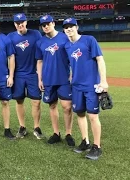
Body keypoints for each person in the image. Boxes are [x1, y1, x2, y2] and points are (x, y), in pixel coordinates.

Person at [63, 18, 108, 160]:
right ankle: (85, 141)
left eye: (71, 26)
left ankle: (97, 146)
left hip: (91, 85)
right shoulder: (67, 46)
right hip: (76, 86)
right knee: (80, 114)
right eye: (66, 27)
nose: (69, 29)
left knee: (93, 116)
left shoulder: (89, 40)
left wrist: (103, 81)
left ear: (76, 27)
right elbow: (72, 64)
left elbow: (100, 59)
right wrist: (71, 76)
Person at [35, 15, 75, 146]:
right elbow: (39, 61)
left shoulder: (65, 38)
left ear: (53, 23)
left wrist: (72, 73)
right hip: (48, 79)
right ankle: (56, 133)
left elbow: (72, 57)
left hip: (63, 78)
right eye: (43, 25)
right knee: (52, 105)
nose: (46, 26)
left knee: (67, 107)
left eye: (48, 24)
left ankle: (68, 133)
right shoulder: (40, 42)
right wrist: (40, 79)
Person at [7, 13, 45, 139]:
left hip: (33, 73)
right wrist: (11, 75)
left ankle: (37, 127)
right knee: (19, 100)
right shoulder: (11, 37)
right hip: (18, 74)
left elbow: (41, 53)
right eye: (17, 23)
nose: (20, 25)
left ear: (26, 22)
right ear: (14, 24)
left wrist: (41, 74)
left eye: (22, 22)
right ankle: (22, 127)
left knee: (36, 101)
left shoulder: (36, 34)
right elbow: (10, 57)